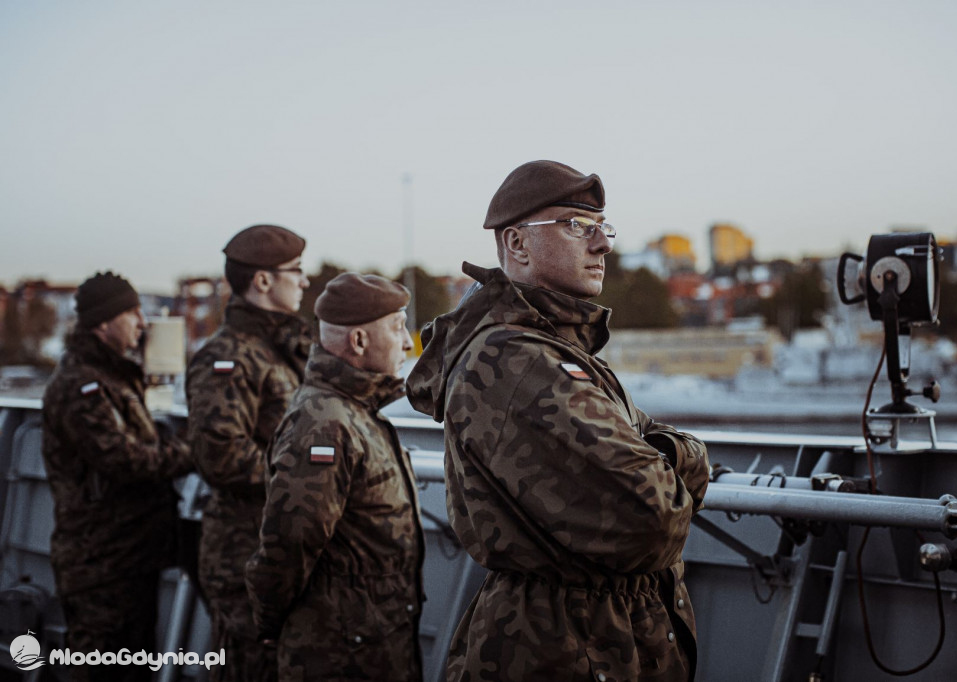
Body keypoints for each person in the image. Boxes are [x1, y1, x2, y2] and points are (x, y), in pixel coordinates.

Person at [406, 160, 711, 682]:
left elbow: (650, 454)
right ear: (517, 244)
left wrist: (660, 455)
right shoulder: (514, 360)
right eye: (577, 226)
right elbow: (654, 516)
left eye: (603, 227)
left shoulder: (558, 351)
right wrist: (678, 458)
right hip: (565, 647)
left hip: (603, 639)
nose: (602, 244)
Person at [246, 273, 425, 682]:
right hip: (340, 656)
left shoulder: (355, 411)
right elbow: (289, 544)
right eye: (397, 327)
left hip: (375, 644)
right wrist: (271, 623)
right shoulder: (324, 423)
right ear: (358, 341)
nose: (406, 342)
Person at [42, 271, 193, 682]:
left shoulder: (111, 376)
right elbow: (126, 461)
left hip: (128, 558)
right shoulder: (81, 385)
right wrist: (192, 451)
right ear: (103, 322)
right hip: (99, 566)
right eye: (132, 313)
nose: (142, 323)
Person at [186, 224, 312, 682]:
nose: (304, 281)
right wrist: (308, 480)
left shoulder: (279, 349)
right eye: (296, 271)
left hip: (281, 547)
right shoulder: (229, 356)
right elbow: (220, 456)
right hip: (245, 554)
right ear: (262, 280)